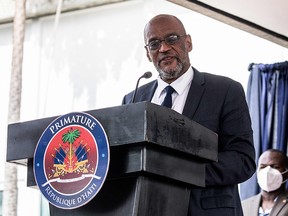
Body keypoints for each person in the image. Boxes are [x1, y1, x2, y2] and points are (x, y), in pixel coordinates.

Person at [122, 14, 256, 215]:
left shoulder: (225, 90)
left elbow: (242, 161)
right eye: (154, 44)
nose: (164, 48)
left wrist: (179, 171)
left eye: (172, 39)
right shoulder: (132, 99)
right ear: (148, 53)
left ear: (188, 43)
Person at [242, 149, 288, 216]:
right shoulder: (244, 205)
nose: (267, 171)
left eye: (275, 167)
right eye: (262, 167)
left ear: (286, 173)